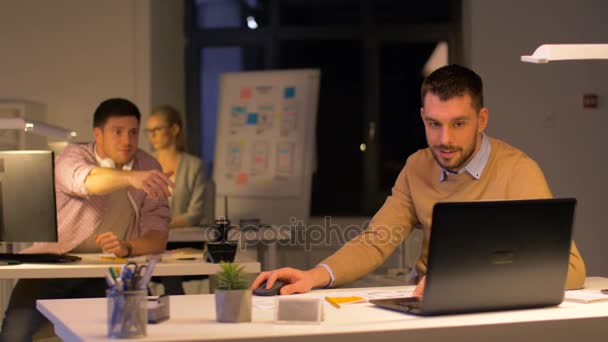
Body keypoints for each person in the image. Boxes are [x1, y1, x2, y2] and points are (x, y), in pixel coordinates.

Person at [252, 64, 587, 296]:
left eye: (458, 124)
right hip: (424, 303)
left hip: (489, 307)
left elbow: (571, 269)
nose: (444, 139)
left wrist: (467, 281)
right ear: (422, 118)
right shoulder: (417, 167)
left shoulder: (519, 171)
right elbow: (376, 240)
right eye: (434, 124)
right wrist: (314, 276)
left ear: (482, 119)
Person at [0, 98, 174, 342]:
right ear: (98, 134)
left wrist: (128, 247)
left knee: (133, 331)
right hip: (51, 266)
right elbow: (88, 181)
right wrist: (131, 178)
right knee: (14, 334)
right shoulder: (72, 156)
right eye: (118, 132)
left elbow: (157, 234)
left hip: (107, 272)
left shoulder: (148, 165)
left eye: (133, 132)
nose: (127, 140)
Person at [146, 104, 206, 228]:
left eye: (157, 129)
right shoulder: (144, 162)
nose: (152, 135)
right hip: (148, 236)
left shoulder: (194, 166)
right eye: (149, 131)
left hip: (182, 237)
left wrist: (164, 225)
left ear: (174, 129)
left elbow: (196, 213)